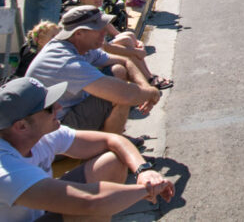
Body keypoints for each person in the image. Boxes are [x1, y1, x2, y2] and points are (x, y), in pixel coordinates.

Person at [0, 77, 175, 221]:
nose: (58, 107)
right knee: (87, 209)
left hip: (40, 213)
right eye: (48, 108)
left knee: (112, 161)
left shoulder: (41, 133)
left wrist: (143, 171)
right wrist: (148, 189)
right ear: (21, 126)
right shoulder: (5, 168)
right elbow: (89, 201)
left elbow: (112, 140)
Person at [25, 5, 161, 134]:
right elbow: (124, 94)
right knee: (120, 95)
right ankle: (109, 149)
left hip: (69, 112)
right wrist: (151, 94)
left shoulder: (78, 45)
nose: (104, 32)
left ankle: (112, 138)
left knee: (118, 70)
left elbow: (125, 61)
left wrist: (146, 87)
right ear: (78, 33)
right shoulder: (65, 60)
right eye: (98, 29)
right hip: (53, 130)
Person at [76, 0, 173, 89]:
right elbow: (104, 47)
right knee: (128, 47)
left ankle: (147, 75)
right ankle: (148, 78)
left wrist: (136, 42)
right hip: (94, 55)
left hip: (101, 48)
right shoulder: (85, 17)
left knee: (128, 36)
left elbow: (114, 31)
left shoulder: (97, 10)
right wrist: (135, 51)